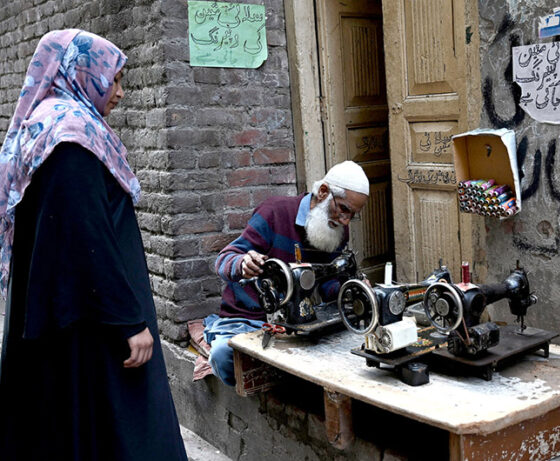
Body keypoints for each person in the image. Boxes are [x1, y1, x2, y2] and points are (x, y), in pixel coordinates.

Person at [0, 30, 187, 460]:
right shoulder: (71, 136)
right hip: (93, 323)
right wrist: (129, 321)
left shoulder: (45, 123)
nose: (119, 92)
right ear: (80, 72)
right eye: (114, 79)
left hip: (69, 312)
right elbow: (89, 237)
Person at [205, 161, 370, 385]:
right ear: (323, 192)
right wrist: (242, 263)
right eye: (343, 209)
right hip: (251, 320)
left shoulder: (338, 230)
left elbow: (327, 283)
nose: (345, 220)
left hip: (297, 323)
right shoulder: (274, 213)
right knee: (224, 356)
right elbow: (224, 259)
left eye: (352, 215)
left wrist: (350, 290)